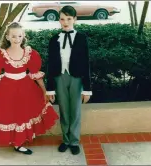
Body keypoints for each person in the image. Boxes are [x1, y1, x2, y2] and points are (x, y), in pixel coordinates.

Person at [0, 22, 59, 155]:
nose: (17, 39)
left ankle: (19, 141)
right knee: (10, 114)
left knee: (24, 113)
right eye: (13, 36)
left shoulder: (30, 53)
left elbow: (36, 75)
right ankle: (17, 143)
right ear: (7, 37)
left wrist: (44, 92)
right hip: (7, 88)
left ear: (23, 36)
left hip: (26, 88)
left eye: (20, 36)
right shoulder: (1, 54)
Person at [46, 6, 92, 155]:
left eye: (69, 19)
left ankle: (74, 141)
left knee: (76, 110)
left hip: (76, 77)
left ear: (75, 19)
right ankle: (65, 140)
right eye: (62, 19)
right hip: (60, 77)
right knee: (64, 110)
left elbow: (86, 63)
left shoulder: (81, 38)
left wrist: (87, 89)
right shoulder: (54, 39)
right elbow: (51, 64)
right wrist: (50, 88)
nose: (65, 22)